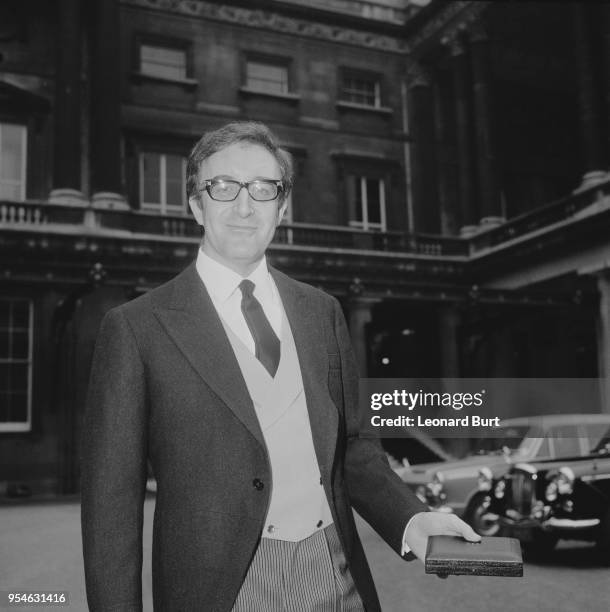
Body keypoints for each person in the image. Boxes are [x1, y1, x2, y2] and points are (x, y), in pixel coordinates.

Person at [81, 121, 479, 612]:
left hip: (335, 574)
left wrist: (412, 519)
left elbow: (351, 450)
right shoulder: (135, 328)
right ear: (195, 204)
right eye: (223, 187)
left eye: (263, 189)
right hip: (219, 591)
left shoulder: (322, 312)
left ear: (282, 207)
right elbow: (110, 507)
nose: (244, 206)